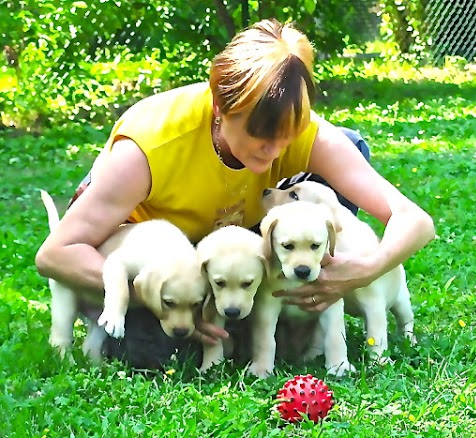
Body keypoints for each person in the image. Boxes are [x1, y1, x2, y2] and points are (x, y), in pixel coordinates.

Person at [36, 19, 435, 368]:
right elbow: (56, 253)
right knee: (155, 352)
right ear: (220, 107)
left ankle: (289, 309)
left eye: (287, 136)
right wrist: (157, 295)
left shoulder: (293, 129)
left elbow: (415, 220)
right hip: (160, 253)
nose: (275, 150)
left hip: (237, 238)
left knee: (349, 150)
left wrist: (366, 269)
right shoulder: (147, 150)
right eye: (261, 136)